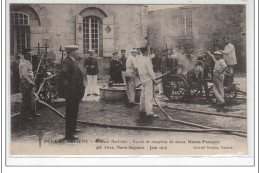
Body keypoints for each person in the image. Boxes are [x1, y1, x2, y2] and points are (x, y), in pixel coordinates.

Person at [62, 45, 85, 140]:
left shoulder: (72, 61)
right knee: (71, 112)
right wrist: (72, 90)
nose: (78, 53)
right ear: (72, 52)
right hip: (71, 92)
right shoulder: (66, 61)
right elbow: (66, 78)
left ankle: (73, 129)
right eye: (77, 51)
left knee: (74, 111)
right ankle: (69, 134)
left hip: (75, 92)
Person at [136, 47, 159, 124]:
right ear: (146, 51)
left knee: (142, 96)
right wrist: (154, 79)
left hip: (142, 79)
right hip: (148, 79)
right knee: (148, 97)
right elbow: (150, 71)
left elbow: (138, 70)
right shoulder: (147, 60)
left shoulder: (139, 59)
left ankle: (142, 110)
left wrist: (141, 78)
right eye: (148, 51)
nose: (149, 52)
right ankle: (149, 113)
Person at [19, 49, 40, 121]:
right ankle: (24, 115)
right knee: (26, 98)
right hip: (26, 83)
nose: (30, 56)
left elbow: (29, 72)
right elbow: (24, 74)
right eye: (29, 54)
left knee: (32, 97)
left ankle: (33, 112)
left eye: (30, 54)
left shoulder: (27, 62)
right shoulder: (23, 63)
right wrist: (30, 82)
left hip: (30, 81)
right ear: (25, 55)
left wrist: (34, 72)